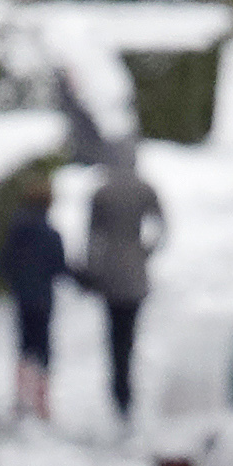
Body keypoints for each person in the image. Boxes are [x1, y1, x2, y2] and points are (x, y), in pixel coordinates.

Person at [80, 143, 167, 423]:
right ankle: (126, 391)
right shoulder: (144, 189)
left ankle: (119, 391)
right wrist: (145, 251)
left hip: (110, 273)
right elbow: (163, 227)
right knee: (129, 333)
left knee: (114, 336)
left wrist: (92, 270)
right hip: (135, 271)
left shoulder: (102, 192)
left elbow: (92, 237)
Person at [0, 178, 69, 421]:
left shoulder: (14, 230)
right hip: (43, 297)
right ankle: (42, 403)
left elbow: (4, 262)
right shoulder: (50, 234)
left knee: (24, 345)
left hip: (21, 296)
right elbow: (59, 266)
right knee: (43, 347)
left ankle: (21, 397)